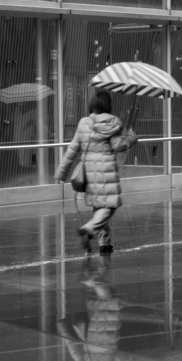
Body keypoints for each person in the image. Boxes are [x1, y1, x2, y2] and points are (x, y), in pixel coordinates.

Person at [54, 91, 137, 254]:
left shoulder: (84, 123)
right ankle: (88, 229)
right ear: (108, 105)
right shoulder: (112, 122)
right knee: (109, 206)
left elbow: (73, 149)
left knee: (99, 207)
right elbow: (119, 145)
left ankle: (104, 244)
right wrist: (130, 137)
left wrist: (61, 171)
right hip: (106, 173)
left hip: (89, 174)